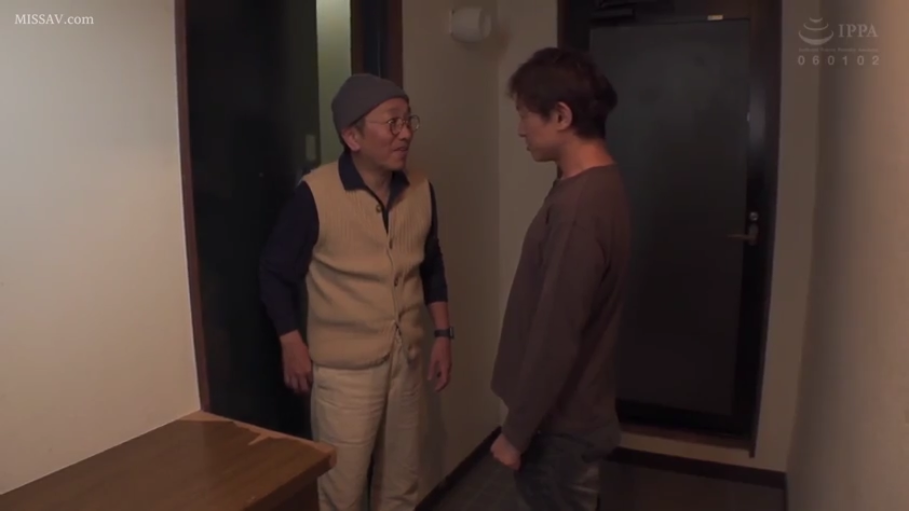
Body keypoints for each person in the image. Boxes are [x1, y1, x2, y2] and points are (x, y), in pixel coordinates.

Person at [259, 73, 455, 511]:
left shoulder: (421, 188)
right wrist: (290, 341)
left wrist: (443, 335)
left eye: (408, 120)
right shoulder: (315, 195)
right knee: (342, 492)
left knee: (401, 484)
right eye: (392, 122)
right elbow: (274, 272)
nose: (405, 133)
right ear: (353, 136)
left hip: (406, 361)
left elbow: (431, 264)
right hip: (345, 372)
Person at [490, 47, 630, 510]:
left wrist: (515, 433)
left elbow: (556, 333)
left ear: (561, 116)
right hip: (572, 414)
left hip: (559, 426)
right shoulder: (599, 184)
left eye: (525, 114)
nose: (519, 129)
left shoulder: (580, 210)